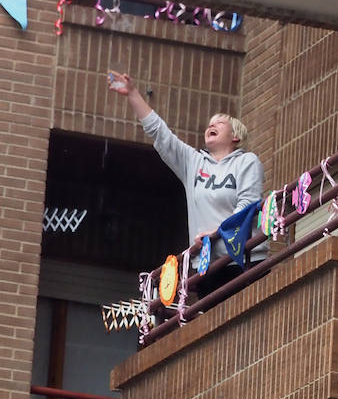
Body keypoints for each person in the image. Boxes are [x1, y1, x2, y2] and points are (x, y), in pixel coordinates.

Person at [106, 70, 265, 292]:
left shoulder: (247, 161)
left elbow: (247, 205)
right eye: (210, 123)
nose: (212, 125)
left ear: (235, 136)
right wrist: (133, 94)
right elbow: (161, 134)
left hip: (246, 258)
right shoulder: (194, 163)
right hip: (208, 264)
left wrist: (217, 234)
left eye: (220, 122)